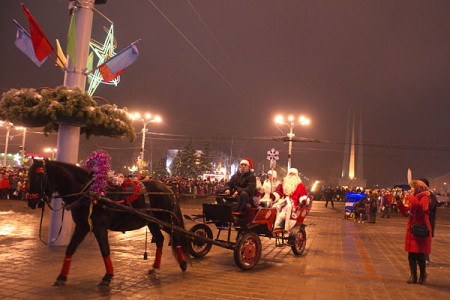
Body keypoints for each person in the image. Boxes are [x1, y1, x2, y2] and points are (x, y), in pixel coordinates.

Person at [396, 180, 432, 285]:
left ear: (419, 188)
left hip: (420, 229)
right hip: (411, 229)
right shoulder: (414, 198)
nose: (411, 189)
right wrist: (400, 204)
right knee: (411, 254)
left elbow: (422, 208)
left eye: (413, 187)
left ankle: (422, 275)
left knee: (420, 254)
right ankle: (413, 275)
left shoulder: (426, 197)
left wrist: (411, 198)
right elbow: (407, 212)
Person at [419, 178, 437, 265]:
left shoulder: (431, 196)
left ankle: (426, 259)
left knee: (425, 242)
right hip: (419, 224)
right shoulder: (420, 195)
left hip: (427, 223)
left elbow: (428, 208)